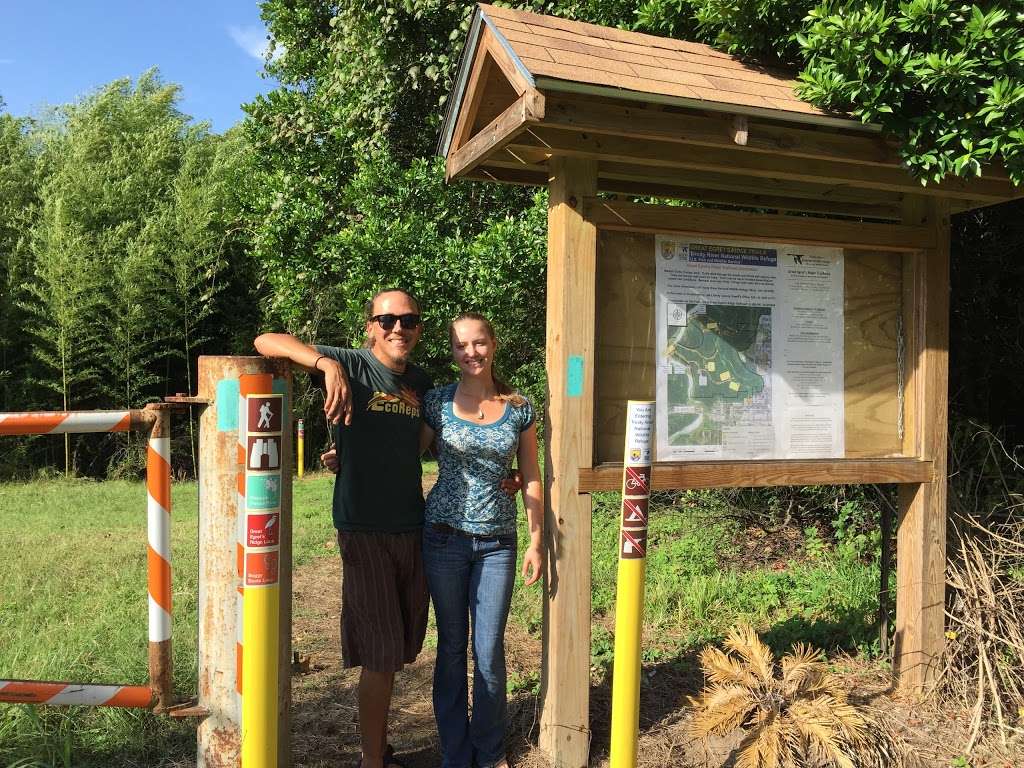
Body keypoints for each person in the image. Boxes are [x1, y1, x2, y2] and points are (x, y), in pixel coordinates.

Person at [254, 288, 432, 768]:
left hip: (413, 528)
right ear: (371, 326)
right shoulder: (350, 365)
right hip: (363, 527)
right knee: (380, 654)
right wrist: (324, 366)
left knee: (402, 647)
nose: (399, 328)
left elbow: (418, 446)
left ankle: (381, 746)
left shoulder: (421, 381)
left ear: (418, 328)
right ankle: (372, 760)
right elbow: (266, 340)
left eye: (409, 320)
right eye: (388, 319)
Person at [419, 312, 544, 768]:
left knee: (488, 649)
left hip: (497, 544)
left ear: (494, 343)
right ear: (452, 352)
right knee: (451, 646)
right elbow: (402, 453)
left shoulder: (520, 407)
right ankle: (456, 751)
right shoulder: (436, 401)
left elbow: (530, 473)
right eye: (460, 345)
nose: (470, 353)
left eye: (478, 343)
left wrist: (535, 539)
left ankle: (489, 752)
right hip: (443, 539)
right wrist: (348, 455)